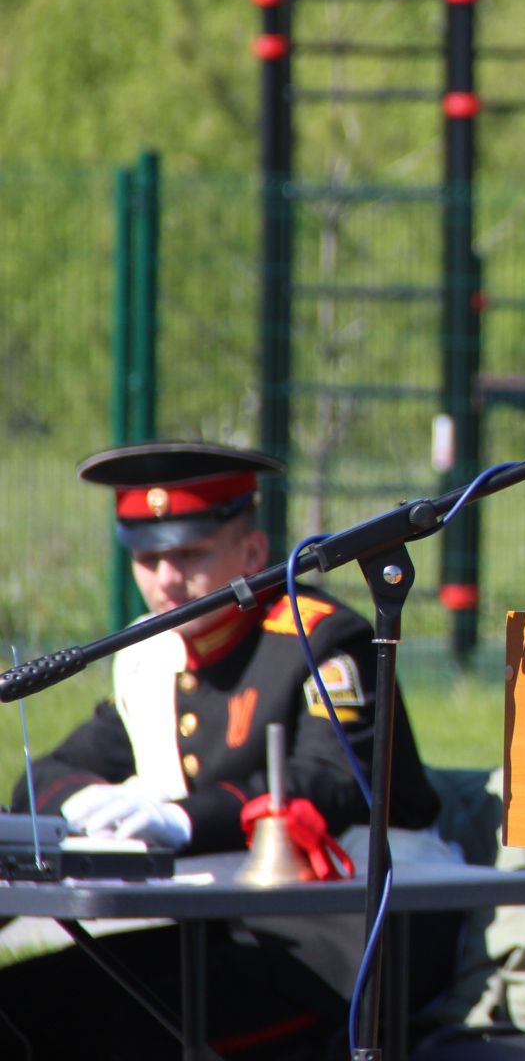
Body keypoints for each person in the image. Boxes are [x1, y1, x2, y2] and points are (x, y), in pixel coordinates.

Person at [3, 441, 444, 1060]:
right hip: (225, 932)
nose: (165, 579)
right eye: (148, 557)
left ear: (253, 553)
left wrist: (180, 819)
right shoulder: (150, 655)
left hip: (347, 944)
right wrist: (85, 802)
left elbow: (333, 782)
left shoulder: (321, 639)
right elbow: (43, 774)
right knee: (21, 1006)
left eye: (190, 554)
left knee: (105, 1034)